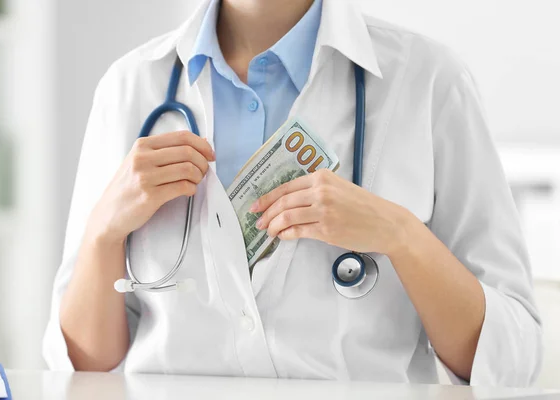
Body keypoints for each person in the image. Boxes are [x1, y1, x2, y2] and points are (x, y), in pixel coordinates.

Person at [43, 0, 542, 386]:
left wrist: (401, 236)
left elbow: (509, 356)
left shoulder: (430, 81)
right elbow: (85, 368)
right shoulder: (131, 86)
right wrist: (102, 235)